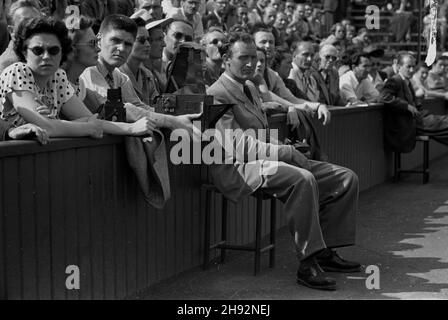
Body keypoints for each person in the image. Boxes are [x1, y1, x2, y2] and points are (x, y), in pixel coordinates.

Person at [207, 32, 361, 291]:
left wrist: (285, 144)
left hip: (264, 161)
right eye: (242, 57)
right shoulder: (216, 93)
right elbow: (238, 146)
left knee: (346, 178)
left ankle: (324, 252)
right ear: (225, 59)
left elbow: (263, 130)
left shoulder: (251, 87)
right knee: (302, 178)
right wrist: (285, 153)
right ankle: (307, 263)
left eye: (253, 58)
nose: (249, 63)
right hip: (236, 169)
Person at [79, 14, 196, 132]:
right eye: (115, 40)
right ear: (99, 39)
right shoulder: (89, 69)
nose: (122, 48)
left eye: (128, 44)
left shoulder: (120, 77)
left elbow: (139, 107)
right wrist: (172, 121)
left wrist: (177, 118)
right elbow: (116, 110)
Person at [0, 16, 105, 139]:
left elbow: (92, 120)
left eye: (53, 50)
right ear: (24, 52)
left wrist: (57, 124)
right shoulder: (16, 71)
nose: (46, 56)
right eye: (38, 50)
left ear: (62, 51)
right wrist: (88, 128)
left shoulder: (58, 76)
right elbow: (48, 127)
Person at [381, 53, 448, 153]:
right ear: (399, 66)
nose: (412, 70)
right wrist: (406, 106)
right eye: (408, 67)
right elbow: (384, 96)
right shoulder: (395, 80)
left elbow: (417, 106)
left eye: (413, 67)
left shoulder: (407, 81)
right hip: (409, 123)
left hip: (419, 119)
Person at [119, 17, 168, 105]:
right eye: (141, 40)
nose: (148, 45)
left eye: (148, 40)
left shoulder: (147, 75)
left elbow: (158, 106)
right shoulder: (117, 75)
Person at [0, 0, 41, 75]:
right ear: (11, 30)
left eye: (36, 22)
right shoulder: (8, 65)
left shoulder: (46, 55)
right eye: (25, 22)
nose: (33, 26)